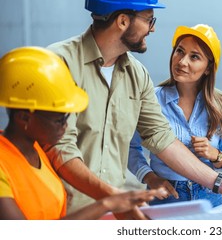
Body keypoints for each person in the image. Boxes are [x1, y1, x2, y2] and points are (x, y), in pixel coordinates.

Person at [44, 0, 222, 218]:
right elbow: (61, 148)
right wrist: (114, 199)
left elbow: (162, 139)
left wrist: (220, 183)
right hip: (63, 211)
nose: (153, 28)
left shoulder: (137, 76)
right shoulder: (58, 64)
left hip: (110, 215)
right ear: (123, 21)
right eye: (149, 19)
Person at [0, 46, 165, 220]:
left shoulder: (37, 152)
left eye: (67, 117)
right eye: (59, 120)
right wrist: (106, 204)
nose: (65, 126)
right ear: (24, 118)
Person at [128, 24, 222, 207]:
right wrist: (150, 178)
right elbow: (131, 148)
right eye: (179, 51)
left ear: (207, 68)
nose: (182, 62)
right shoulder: (151, 99)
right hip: (165, 196)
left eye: (194, 57)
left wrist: (215, 155)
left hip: (209, 195)